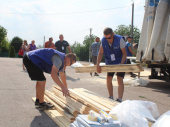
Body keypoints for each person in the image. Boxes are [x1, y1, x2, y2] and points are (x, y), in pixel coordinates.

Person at [97, 27, 127, 102]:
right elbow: (100, 52)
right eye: (106, 38)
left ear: (113, 34)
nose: (108, 39)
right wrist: (97, 64)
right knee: (109, 78)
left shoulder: (120, 39)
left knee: (119, 78)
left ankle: (119, 98)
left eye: (109, 37)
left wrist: (121, 64)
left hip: (120, 61)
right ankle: (110, 96)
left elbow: (124, 53)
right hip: (110, 61)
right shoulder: (103, 40)